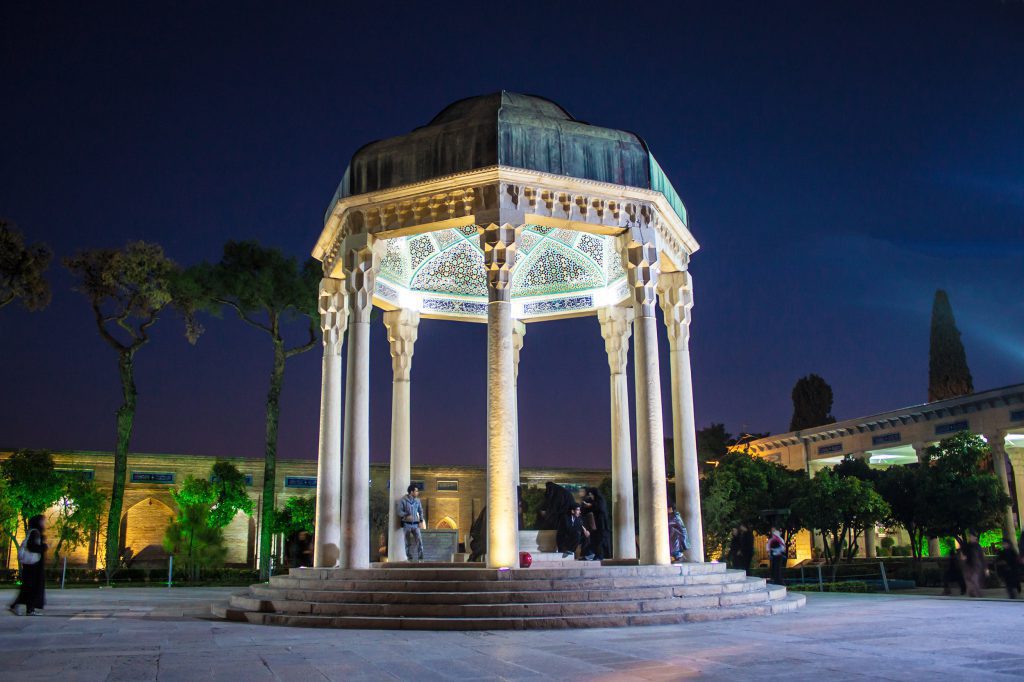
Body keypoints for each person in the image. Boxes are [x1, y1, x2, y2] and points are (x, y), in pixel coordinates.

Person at [10, 515, 47, 616]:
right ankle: (25, 608)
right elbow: (32, 547)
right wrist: (44, 546)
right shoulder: (35, 532)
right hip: (32, 566)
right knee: (30, 587)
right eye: (43, 521)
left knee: (29, 588)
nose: (45, 523)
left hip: (31, 566)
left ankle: (29, 609)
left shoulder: (35, 532)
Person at [582, 488, 612, 561]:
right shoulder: (593, 501)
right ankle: (594, 555)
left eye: (591, 495)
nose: (591, 496)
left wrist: (591, 505)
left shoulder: (600, 501)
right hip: (595, 525)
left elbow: (600, 508)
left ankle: (599, 555)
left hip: (601, 525)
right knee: (594, 540)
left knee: (599, 541)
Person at [398, 484, 425, 562]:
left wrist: (421, 521)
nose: (417, 493)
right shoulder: (403, 500)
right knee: (407, 543)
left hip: (416, 524)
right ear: (411, 491)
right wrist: (406, 515)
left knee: (419, 541)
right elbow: (399, 511)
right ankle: (409, 559)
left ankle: (421, 559)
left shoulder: (418, 500)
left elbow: (420, 511)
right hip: (406, 524)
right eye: (416, 491)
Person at [961, 532, 987, 598]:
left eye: (972, 536)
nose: (970, 538)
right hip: (968, 565)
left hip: (976, 566)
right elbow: (963, 554)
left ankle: (978, 595)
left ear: (975, 538)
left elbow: (982, 557)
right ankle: (972, 594)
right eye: (970, 536)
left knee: (974, 580)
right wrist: (963, 557)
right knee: (969, 580)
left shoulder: (978, 546)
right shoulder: (967, 546)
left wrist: (986, 568)